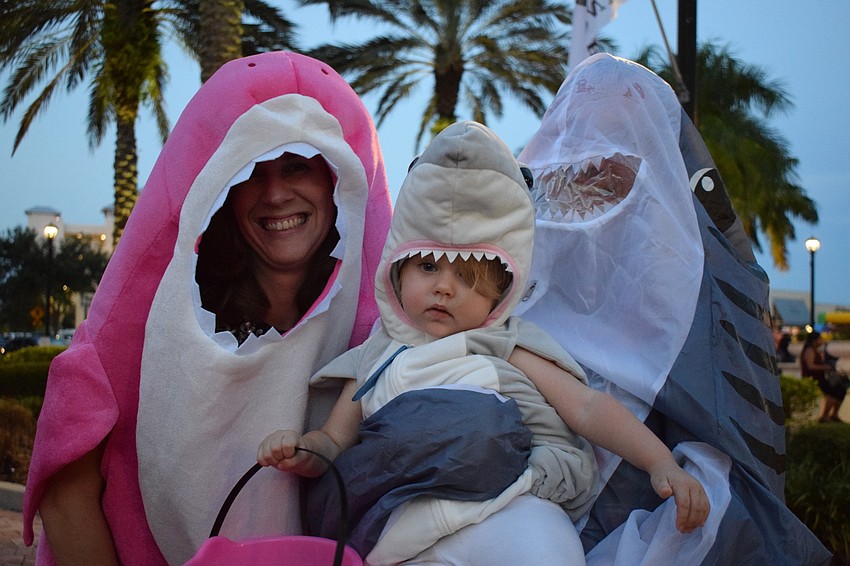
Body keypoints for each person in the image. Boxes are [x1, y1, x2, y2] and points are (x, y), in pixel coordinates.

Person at [257, 121, 709, 565]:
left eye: (468, 275)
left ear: (502, 290)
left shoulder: (504, 343)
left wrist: (660, 463)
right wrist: (303, 451)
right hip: (403, 533)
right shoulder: (377, 356)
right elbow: (335, 440)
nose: (443, 288)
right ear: (396, 266)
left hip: (507, 507)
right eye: (427, 266)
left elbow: (587, 408)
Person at [23, 51, 393, 565]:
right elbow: (68, 497)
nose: (275, 194)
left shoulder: (379, 334)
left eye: (297, 166)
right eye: (252, 171)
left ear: (339, 180)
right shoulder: (153, 330)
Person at [515, 53, 830, 564]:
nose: (594, 181)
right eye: (579, 157)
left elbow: (727, 453)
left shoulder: (698, 284)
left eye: (619, 159)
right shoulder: (513, 257)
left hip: (640, 510)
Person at [800, 331, 846, 422]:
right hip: (813, 379)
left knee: (841, 390)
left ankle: (834, 414)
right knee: (834, 392)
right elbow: (810, 366)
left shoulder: (815, 350)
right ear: (814, 340)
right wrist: (825, 367)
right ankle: (825, 416)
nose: (821, 341)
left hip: (820, 378)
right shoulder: (809, 350)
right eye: (819, 339)